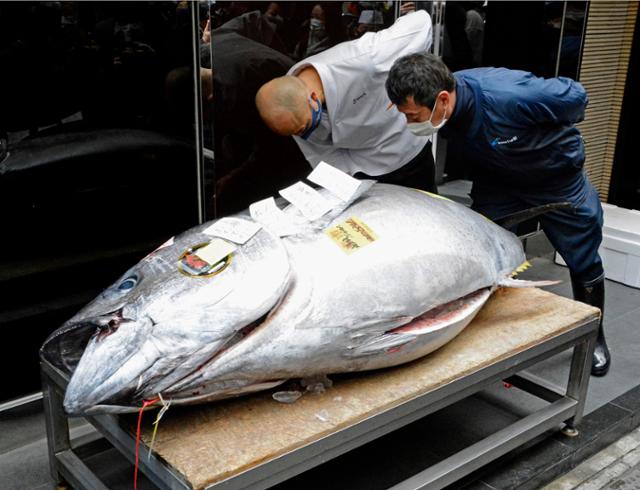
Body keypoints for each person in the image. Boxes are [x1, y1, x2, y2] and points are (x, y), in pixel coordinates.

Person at [385, 53, 610, 376]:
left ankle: (594, 337)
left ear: (443, 100)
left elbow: (576, 96)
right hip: (498, 182)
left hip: (555, 180)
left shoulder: (512, 95)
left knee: (583, 258)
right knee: (480, 247)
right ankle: (475, 330)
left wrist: (550, 139)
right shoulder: (443, 101)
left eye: (413, 115)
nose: (410, 123)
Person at [255, 10, 437, 193]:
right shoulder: (293, 107)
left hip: (405, 152)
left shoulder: (365, 59)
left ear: (312, 98)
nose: (302, 134)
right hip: (362, 171)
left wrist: (406, 85)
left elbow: (421, 23)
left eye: (304, 128)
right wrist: (343, 191)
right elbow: (323, 156)